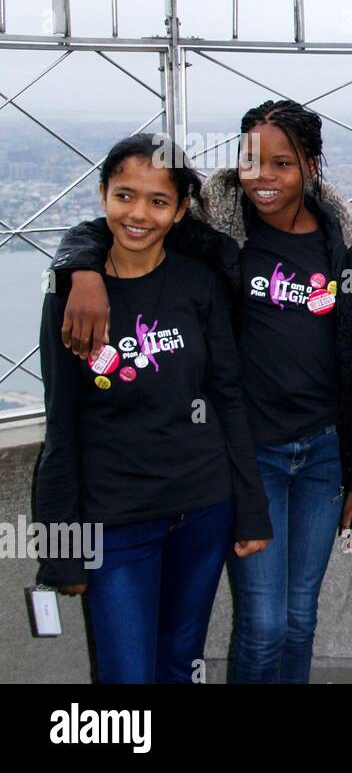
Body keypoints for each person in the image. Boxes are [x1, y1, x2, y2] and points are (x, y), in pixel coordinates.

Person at [51, 100, 352, 684]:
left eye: (283, 163)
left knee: (298, 619)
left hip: (324, 453)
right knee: (260, 625)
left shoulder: (348, 243)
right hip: (248, 452)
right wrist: (81, 270)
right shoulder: (217, 227)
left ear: (312, 164)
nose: (263, 176)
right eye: (251, 159)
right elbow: (130, 216)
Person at [34, 133, 271, 684]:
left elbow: (227, 397)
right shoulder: (72, 299)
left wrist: (250, 507)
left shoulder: (199, 283)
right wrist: (61, 546)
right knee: (126, 676)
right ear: (102, 195)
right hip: (115, 520)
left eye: (158, 201)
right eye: (124, 196)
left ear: (181, 208)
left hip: (202, 508)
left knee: (179, 661)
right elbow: (61, 426)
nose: (138, 214)